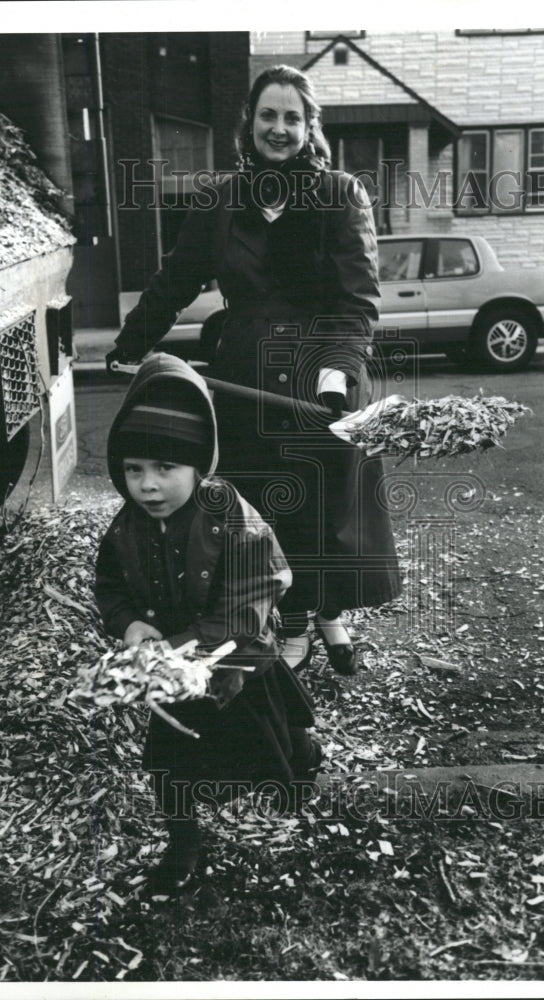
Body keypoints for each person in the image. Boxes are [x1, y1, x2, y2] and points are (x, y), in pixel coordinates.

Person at [107, 64, 401, 677]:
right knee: (266, 508)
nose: (279, 128)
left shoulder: (341, 194)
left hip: (324, 379)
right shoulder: (220, 200)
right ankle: (293, 620)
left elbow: (358, 299)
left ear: (309, 126)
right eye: (268, 115)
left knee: (323, 509)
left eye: (292, 117)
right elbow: (177, 278)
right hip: (247, 377)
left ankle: (324, 614)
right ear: (250, 123)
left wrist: (338, 372)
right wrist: (133, 339)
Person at [95, 352, 321, 894]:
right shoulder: (128, 524)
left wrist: (167, 652)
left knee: (266, 748)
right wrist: (129, 627)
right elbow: (111, 586)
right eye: (134, 470)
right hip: (173, 675)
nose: (148, 486)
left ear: (200, 466)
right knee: (169, 767)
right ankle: (183, 842)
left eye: (165, 469)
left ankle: (304, 756)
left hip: (236, 665)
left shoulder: (233, 520)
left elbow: (242, 611)